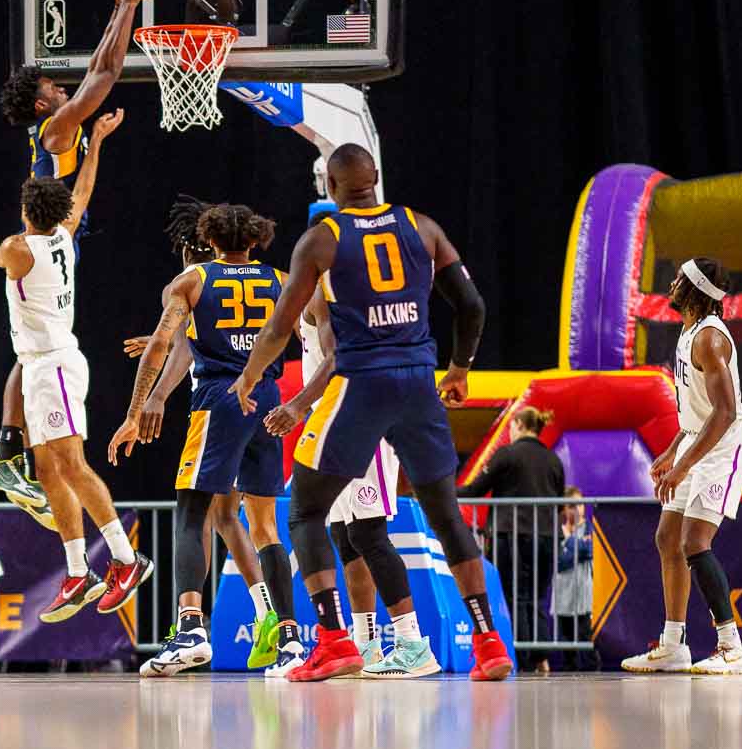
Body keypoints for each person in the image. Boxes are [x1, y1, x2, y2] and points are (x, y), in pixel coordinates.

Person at [231, 143, 512, 682]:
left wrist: (248, 378)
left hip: (361, 384)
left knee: (305, 511)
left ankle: (334, 642)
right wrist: (459, 369)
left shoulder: (322, 238)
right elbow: (472, 306)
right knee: (444, 513)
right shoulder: (421, 225)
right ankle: (488, 642)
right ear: (376, 177)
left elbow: (279, 326)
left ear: (332, 189)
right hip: (418, 383)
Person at [0, 0, 151, 522]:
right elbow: (104, 76)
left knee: (39, 347)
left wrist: (98, 141)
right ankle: (11, 452)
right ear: (41, 103)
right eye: (56, 86)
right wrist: (126, 4)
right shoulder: (55, 128)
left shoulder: (58, 131)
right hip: (44, 241)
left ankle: (13, 452)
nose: (64, 87)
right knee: (44, 348)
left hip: (52, 234)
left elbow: (100, 69)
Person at [109, 201, 304, 677]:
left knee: (190, 514)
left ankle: (192, 628)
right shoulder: (282, 280)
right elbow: (309, 336)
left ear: (209, 239)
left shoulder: (193, 281)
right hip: (268, 398)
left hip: (219, 398)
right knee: (265, 528)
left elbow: (162, 346)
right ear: (256, 239)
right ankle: (291, 641)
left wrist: (138, 409)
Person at [0, 114, 154, 622]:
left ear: (25, 211)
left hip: (55, 366)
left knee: (73, 465)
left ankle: (127, 561)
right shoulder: (63, 233)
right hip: (42, 368)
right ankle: (77, 569)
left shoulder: (20, 250)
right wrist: (97, 143)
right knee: (47, 470)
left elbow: (1, 252)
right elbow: (82, 190)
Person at [263, 199, 404, 670]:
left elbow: (338, 358)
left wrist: (299, 404)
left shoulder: (331, 289)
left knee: (370, 534)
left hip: (359, 418)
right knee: (348, 537)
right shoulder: (323, 284)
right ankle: (363, 641)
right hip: (337, 420)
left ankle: (411, 641)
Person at [621, 257, 742, 676]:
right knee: (668, 537)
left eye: (680, 279)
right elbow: (694, 412)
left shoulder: (710, 339)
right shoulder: (687, 332)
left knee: (695, 540)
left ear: (695, 289)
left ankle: (733, 647)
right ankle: (673, 645)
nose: (672, 283)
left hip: (724, 445)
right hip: (697, 440)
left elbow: (725, 412)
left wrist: (684, 466)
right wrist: (672, 450)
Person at [457, 405, 565, 671]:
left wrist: (443, 494)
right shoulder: (553, 460)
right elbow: (560, 502)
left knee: (512, 595)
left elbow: (476, 488)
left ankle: (520, 656)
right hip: (546, 536)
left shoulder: (506, 454)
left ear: (517, 424)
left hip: (511, 533)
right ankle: (541, 657)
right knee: (537, 596)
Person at [551, 488, 598, 672]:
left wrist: (570, 542)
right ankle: (569, 673)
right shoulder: (557, 530)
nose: (576, 510)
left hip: (585, 597)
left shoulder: (590, 527)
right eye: (571, 506)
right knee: (567, 641)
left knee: (586, 639)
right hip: (563, 596)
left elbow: (590, 550)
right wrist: (576, 548)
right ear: (563, 509)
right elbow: (558, 561)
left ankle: (593, 671)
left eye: (579, 504)